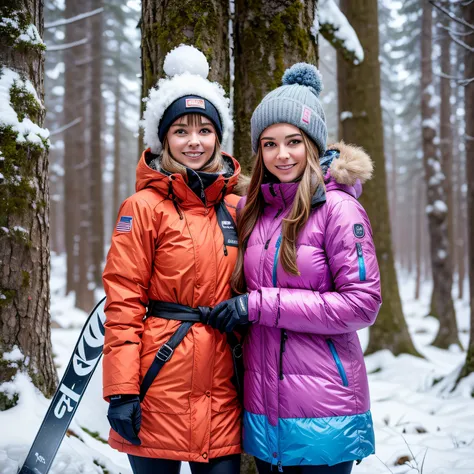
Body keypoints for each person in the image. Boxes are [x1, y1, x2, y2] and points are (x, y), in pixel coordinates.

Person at [206, 63, 382, 473]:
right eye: (269, 144)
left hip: (327, 411)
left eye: (293, 142)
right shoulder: (256, 211)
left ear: (314, 145)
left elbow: (363, 304)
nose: (281, 155)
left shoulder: (340, 209)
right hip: (266, 415)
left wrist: (260, 305)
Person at [102, 45, 244, 474]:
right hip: (156, 385)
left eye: (205, 130)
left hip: (225, 387)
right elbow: (124, 300)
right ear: (163, 137)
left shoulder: (239, 208)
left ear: (219, 137)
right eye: (181, 130)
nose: (194, 141)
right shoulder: (142, 207)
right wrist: (122, 390)